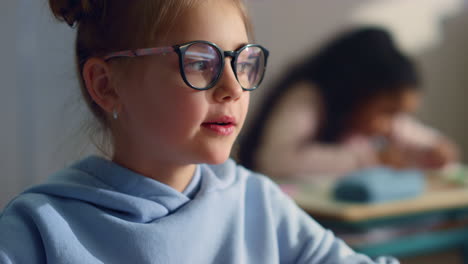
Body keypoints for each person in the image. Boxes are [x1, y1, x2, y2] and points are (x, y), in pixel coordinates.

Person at [0, 1, 397, 263]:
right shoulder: (39, 230)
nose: (233, 87)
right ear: (106, 86)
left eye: (242, 61)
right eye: (199, 61)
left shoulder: (255, 203)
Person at [238, 27, 458, 180]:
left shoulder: (382, 120)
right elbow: (274, 160)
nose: (392, 123)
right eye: (388, 111)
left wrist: (434, 148)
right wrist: (369, 159)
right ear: (355, 91)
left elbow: (413, 136)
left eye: (399, 114)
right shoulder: (309, 97)